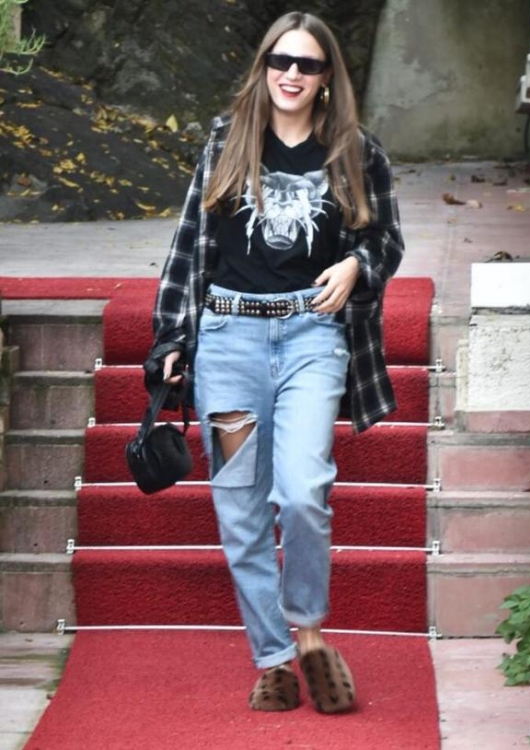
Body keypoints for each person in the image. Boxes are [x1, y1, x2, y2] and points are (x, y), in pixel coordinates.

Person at [148, 10, 404, 714]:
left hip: (310, 339)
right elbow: (188, 246)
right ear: (263, 67)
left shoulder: (356, 151)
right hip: (228, 344)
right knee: (239, 506)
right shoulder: (227, 141)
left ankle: (310, 633)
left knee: (302, 491)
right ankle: (273, 659)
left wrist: (356, 265)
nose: (292, 74)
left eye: (308, 64)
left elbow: (385, 241)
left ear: (327, 78)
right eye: (280, 61)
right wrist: (171, 339)